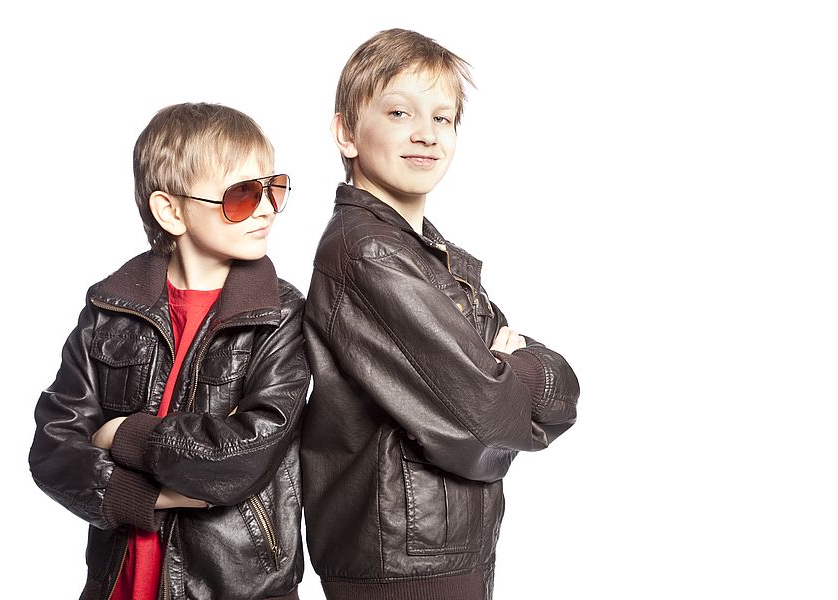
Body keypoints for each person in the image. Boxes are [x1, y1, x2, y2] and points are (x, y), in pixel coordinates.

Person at [300, 29, 581, 600]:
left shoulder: (423, 253)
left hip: (437, 552)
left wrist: (506, 369)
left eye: (444, 119)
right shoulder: (368, 253)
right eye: (400, 112)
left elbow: (554, 400)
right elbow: (485, 428)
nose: (426, 135)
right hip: (404, 565)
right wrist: (504, 368)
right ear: (345, 132)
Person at [29, 102, 309, 600]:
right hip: (116, 581)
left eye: (274, 188)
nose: (266, 207)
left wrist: (122, 434)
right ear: (171, 211)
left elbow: (243, 457)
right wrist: (148, 494)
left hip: (238, 587)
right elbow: (52, 447)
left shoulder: (279, 313)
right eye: (242, 195)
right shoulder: (110, 306)